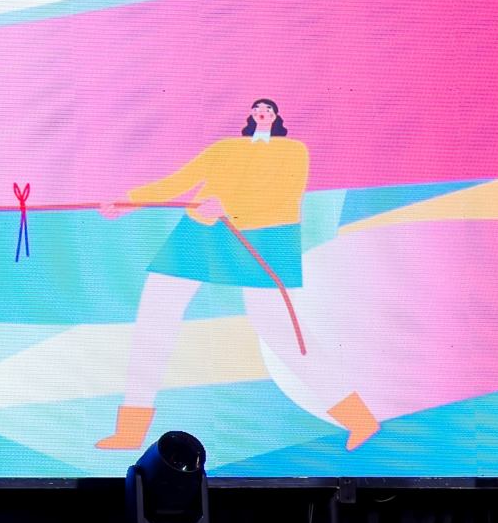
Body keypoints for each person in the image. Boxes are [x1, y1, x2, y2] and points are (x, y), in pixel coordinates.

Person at [97, 98, 379, 451]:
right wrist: (129, 201)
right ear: (251, 116)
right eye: (258, 108)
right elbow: (182, 180)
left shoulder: (294, 151)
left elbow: (286, 195)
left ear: (276, 117)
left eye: (269, 109)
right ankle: (131, 429)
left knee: (281, 330)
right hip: (203, 231)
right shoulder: (225, 148)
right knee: (155, 316)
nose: (263, 112)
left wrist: (230, 208)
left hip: (265, 238)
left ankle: (359, 419)